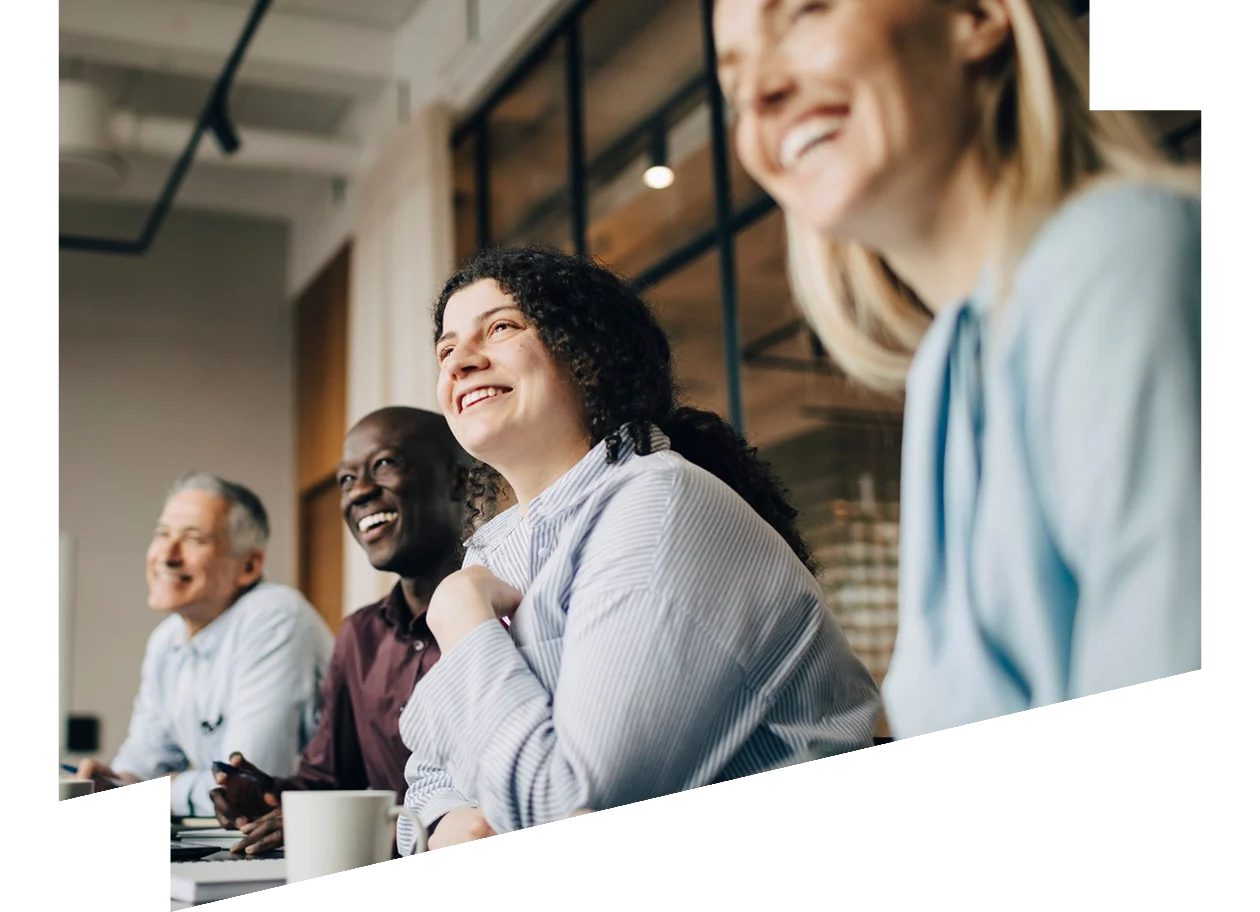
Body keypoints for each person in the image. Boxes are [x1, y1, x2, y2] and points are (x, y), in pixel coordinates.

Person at [712, 0, 1206, 740]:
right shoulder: (950, 361)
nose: (759, 93)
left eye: (806, 14)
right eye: (733, 76)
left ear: (976, 16)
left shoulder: (1118, 255)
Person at [395, 245, 882, 856]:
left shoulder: (659, 507)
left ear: (586, 354)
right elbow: (428, 769)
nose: (460, 361)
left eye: (501, 327)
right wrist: (443, 822)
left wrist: (463, 622)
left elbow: (570, 801)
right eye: (445, 348)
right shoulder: (495, 550)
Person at [204, 407, 474, 855]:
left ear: (458, 479)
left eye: (385, 464)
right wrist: (266, 796)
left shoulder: (506, 610)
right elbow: (327, 779)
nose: (360, 492)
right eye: (346, 480)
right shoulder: (360, 635)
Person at [73, 473, 335, 817]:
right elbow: (142, 761)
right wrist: (116, 781)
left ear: (249, 565)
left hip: (314, 838)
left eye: (193, 539)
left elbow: (243, 786)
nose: (167, 555)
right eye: (162, 534)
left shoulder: (276, 616)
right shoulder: (167, 640)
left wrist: (146, 790)